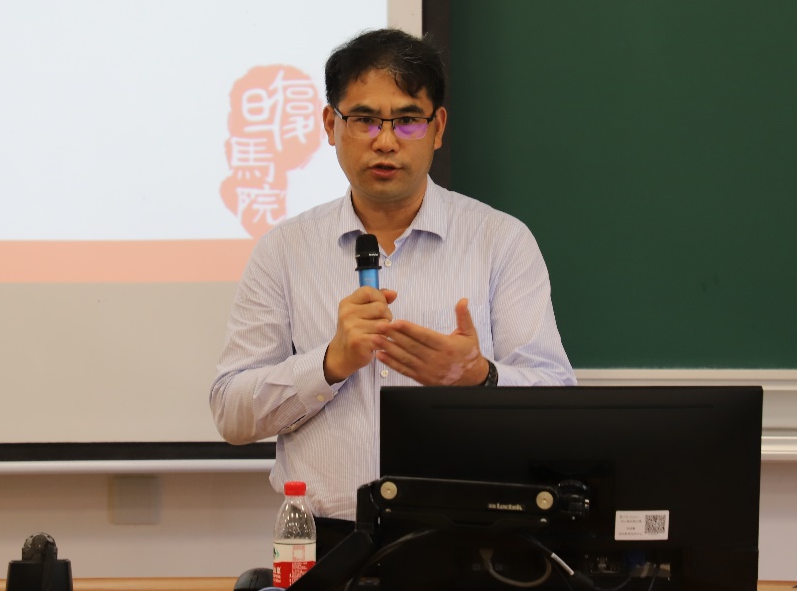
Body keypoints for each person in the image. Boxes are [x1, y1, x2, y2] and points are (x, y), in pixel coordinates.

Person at [210, 28, 575, 535]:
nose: (385, 142)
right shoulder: (284, 250)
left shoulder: (500, 241)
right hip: (330, 542)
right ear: (330, 125)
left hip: (470, 539)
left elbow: (558, 400)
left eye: (407, 121)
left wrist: (480, 377)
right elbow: (231, 412)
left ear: (437, 127)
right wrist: (328, 364)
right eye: (364, 120)